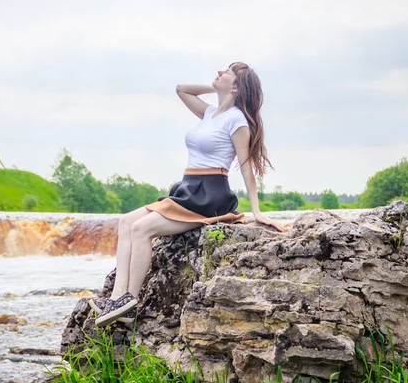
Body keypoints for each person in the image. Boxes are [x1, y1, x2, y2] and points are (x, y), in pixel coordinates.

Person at [89, 61, 284, 327]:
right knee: (125, 222)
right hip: (188, 187)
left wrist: (257, 211)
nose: (218, 73)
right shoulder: (211, 113)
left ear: (236, 87)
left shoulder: (237, 120)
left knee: (142, 229)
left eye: (226, 73)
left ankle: (130, 301)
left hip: (210, 194)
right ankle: (116, 298)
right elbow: (182, 90)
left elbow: (246, 165)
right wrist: (219, 89)